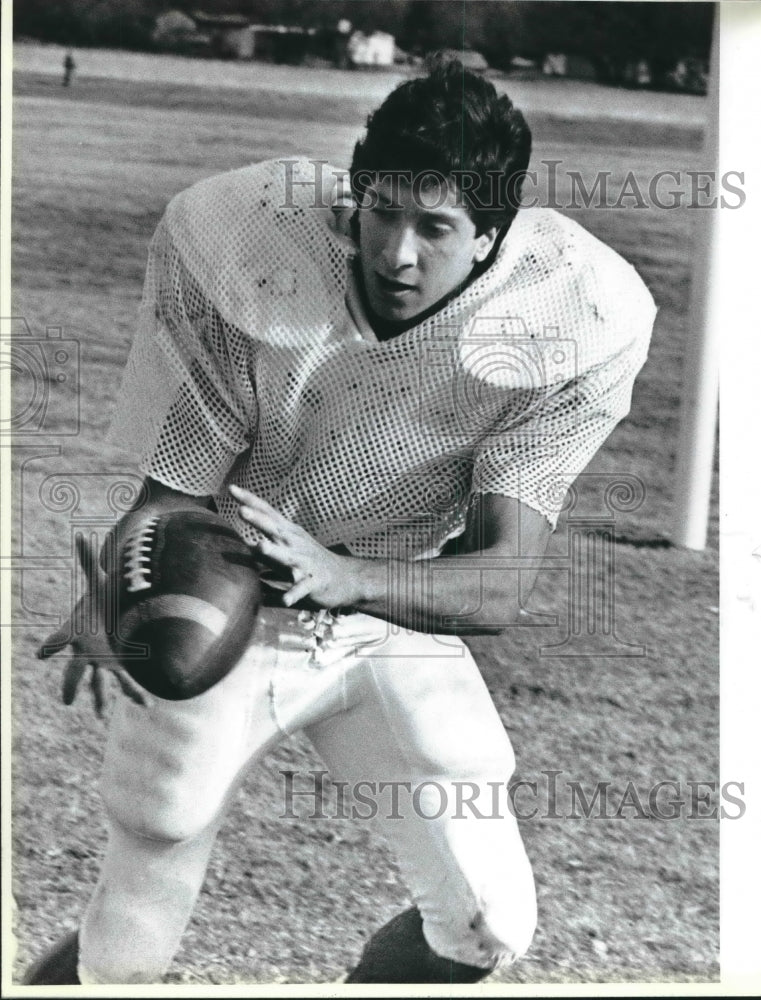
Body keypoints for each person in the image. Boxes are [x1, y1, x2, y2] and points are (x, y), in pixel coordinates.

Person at [25, 62, 656, 985]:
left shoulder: (575, 312)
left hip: (387, 612)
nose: (396, 253)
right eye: (382, 211)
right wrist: (118, 586)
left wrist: (349, 577)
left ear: (489, 238)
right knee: (134, 917)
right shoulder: (252, 244)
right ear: (354, 199)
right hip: (230, 601)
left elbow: (500, 579)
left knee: (488, 925)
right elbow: (172, 494)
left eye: (434, 227)